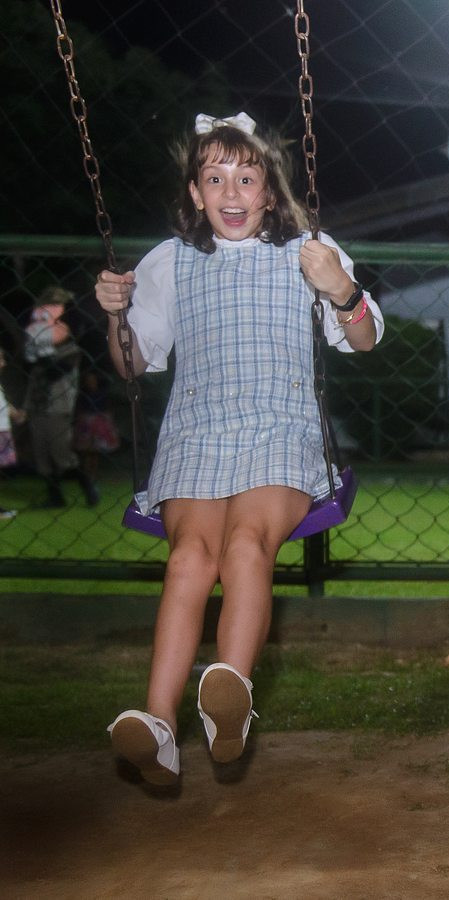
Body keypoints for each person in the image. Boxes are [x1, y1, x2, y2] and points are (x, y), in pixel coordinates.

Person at [94, 112, 383, 786]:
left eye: (246, 178)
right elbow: (132, 364)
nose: (231, 192)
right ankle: (158, 726)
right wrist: (115, 316)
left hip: (281, 428)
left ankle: (230, 695)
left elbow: (365, 340)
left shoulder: (309, 253)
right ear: (195, 193)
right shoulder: (169, 262)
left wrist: (342, 289)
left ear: (269, 193)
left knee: (246, 545)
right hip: (195, 432)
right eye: (215, 178)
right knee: (189, 561)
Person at [19, 287, 98, 508]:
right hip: (37, 406)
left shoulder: (70, 350)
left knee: (61, 453)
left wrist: (42, 351)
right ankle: (55, 497)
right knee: (42, 456)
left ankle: (88, 487)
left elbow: (55, 371)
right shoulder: (36, 349)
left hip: (58, 406)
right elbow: (32, 372)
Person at [73, 369, 121, 485]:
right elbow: (79, 410)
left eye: (92, 380)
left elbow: (107, 409)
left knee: (95, 452)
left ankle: (92, 475)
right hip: (86, 423)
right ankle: (86, 475)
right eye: (88, 380)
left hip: (99, 423)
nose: (91, 382)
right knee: (86, 451)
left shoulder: (102, 394)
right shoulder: (83, 395)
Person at [0, 349, 18, 520]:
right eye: (0, 359)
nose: (4, 363)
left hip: (3, 430)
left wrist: (16, 414)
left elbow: (4, 404)